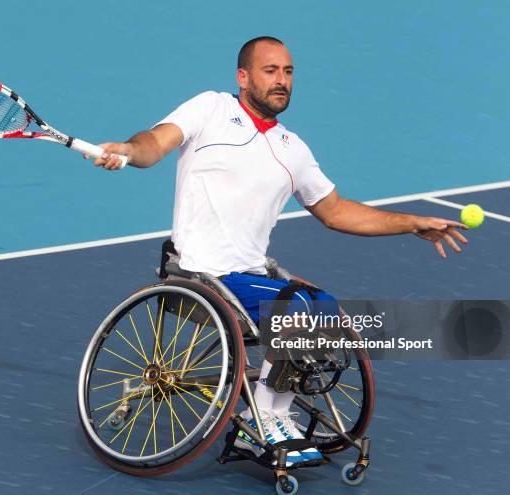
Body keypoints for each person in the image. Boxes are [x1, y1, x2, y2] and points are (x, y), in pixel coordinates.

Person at [84, 36, 468, 464]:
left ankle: (272, 416)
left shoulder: (293, 150)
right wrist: (129, 151)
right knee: (306, 307)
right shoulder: (210, 109)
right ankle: (263, 422)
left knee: (321, 309)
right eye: (270, 71)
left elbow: (336, 211)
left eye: (287, 72)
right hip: (199, 274)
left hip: (250, 278)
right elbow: (154, 142)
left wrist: (411, 222)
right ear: (243, 77)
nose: (281, 81)